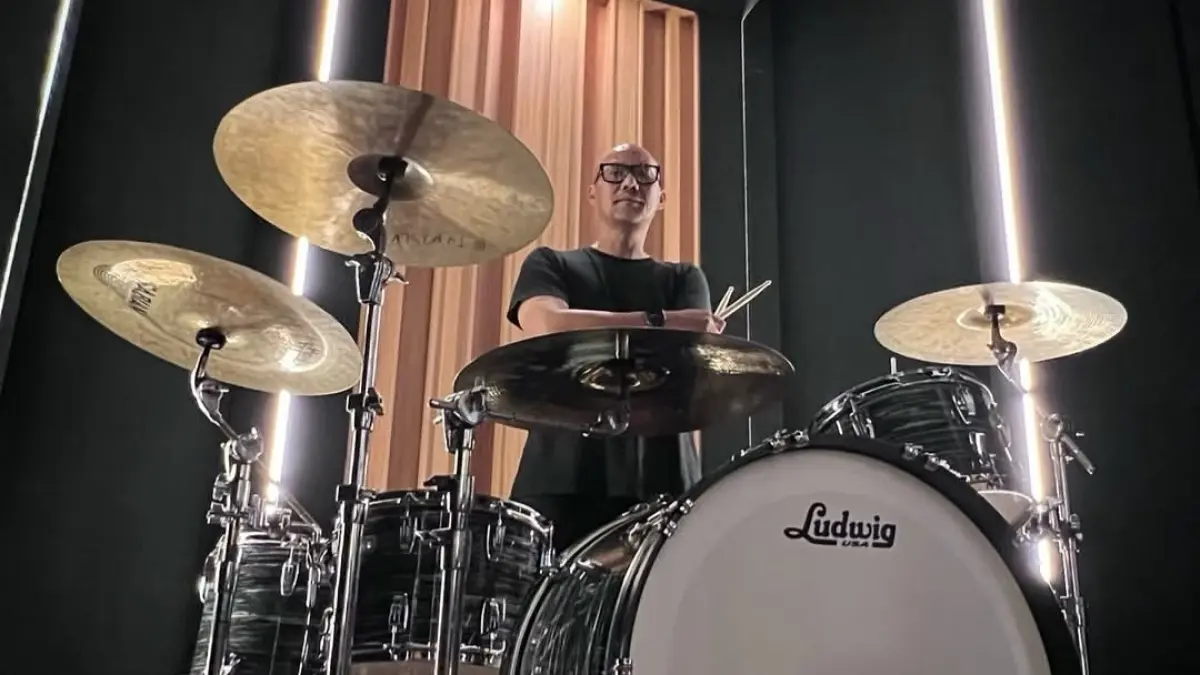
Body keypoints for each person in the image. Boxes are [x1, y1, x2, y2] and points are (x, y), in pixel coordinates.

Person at [505, 143, 725, 553]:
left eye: (645, 175)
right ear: (592, 191)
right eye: (615, 172)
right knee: (545, 594)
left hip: (662, 474)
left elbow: (691, 356)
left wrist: (586, 322)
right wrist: (660, 320)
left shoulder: (683, 278)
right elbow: (547, 325)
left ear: (661, 197)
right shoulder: (551, 263)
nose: (630, 183)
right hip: (560, 472)